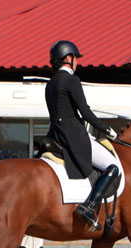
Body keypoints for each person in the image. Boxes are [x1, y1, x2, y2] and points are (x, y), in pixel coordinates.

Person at [45, 40, 121, 231]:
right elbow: (85, 112)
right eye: (76, 58)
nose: (77, 62)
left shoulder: (51, 83)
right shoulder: (71, 80)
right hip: (74, 137)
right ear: (68, 58)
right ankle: (89, 206)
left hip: (55, 135)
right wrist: (107, 130)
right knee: (112, 167)